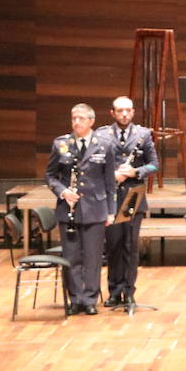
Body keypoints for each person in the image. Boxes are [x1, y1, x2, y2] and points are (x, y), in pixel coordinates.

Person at [44, 103, 118, 315]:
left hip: (95, 208)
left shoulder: (105, 144)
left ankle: (90, 299)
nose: (77, 122)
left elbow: (110, 182)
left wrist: (111, 212)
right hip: (69, 209)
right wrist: (63, 191)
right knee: (71, 257)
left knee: (93, 258)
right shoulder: (61, 144)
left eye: (81, 118)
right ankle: (75, 298)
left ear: (91, 121)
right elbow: (50, 176)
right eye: (74, 118)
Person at [95, 97, 158, 308]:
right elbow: (95, 166)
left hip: (133, 195)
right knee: (113, 245)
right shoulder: (101, 134)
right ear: (112, 113)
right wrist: (111, 175)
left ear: (133, 112)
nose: (124, 114)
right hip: (110, 197)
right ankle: (114, 291)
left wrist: (135, 171)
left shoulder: (144, 134)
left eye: (128, 110)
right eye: (120, 111)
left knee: (130, 245)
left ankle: (129, 291)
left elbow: (153, 165)